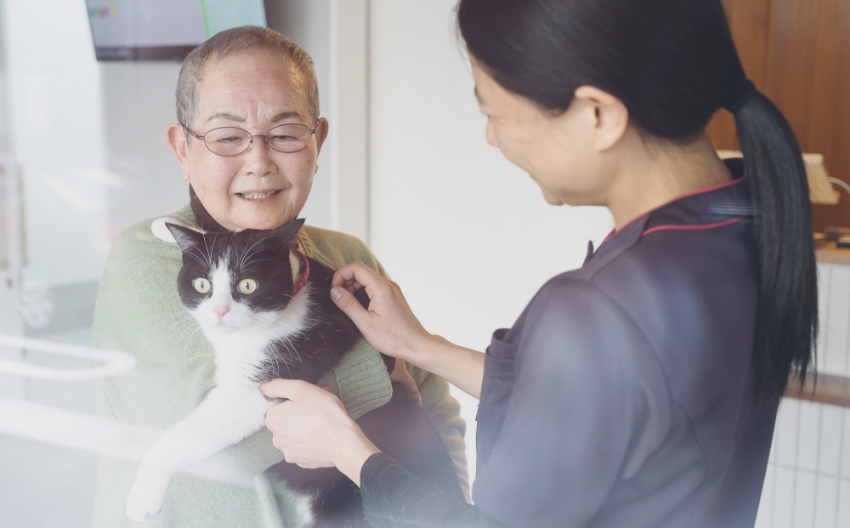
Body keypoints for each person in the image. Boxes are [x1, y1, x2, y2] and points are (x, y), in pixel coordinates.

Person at [260, 1, 818, 526]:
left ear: (599, 114)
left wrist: (346, 449)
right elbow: (608, 410)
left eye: (495, 111)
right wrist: (419, 346)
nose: (492, 137)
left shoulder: (601, 306)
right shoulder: (742, 222)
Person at [91, 26, 467, 527]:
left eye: (286, 135)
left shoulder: (346, 255)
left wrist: (454, 511)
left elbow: (435, 411)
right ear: (183, 149)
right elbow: (231, 444)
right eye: (228, 137)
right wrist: (382, 375)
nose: (259, 163)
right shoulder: (143, 260)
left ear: (317, 143)